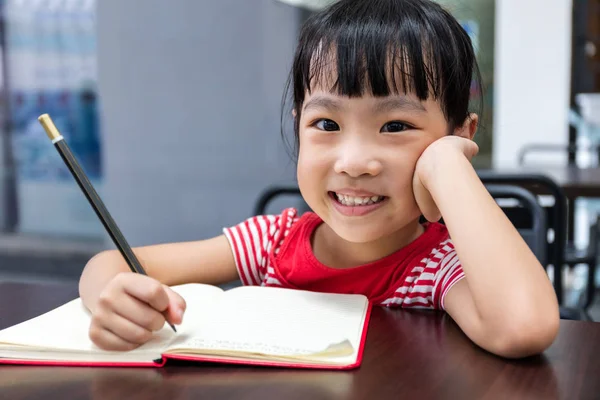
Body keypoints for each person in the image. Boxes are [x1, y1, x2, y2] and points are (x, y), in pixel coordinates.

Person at [79, 0, 559, 358]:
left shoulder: (434, 267)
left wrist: (449, 166)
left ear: (459, 136)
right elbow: (111, 263)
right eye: (326, 125)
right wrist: (114, 300)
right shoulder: (272, 243)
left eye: (396, 126)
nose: (353, 162)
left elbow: (523, 327)